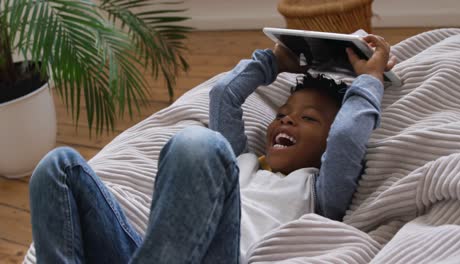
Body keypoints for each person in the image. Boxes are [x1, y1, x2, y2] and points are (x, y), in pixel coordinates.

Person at [29, 34, 395, 263]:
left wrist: (370, 78)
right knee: (59, 166)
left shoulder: (320, 189)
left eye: (309, 119)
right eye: (282, 114)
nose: (286, 121)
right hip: (158, 252)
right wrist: (274, 62)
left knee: (197, 145)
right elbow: (225, 96)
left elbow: (348, 136)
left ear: (327, 146)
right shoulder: (243, 160)